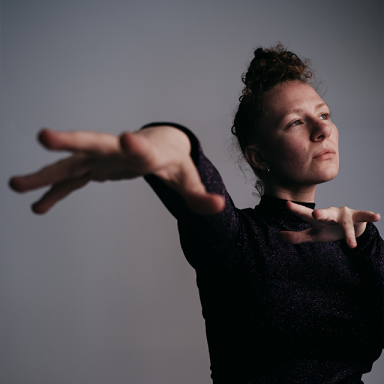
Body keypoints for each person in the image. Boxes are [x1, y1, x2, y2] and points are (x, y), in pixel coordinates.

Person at [10, 44, 384, 383]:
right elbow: (189, 168)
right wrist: (171, 142)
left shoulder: (359, 242)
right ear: (258, 157)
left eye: (324, 114)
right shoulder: (236, 240)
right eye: (296, 122)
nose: (323, 129)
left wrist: (366, 242)